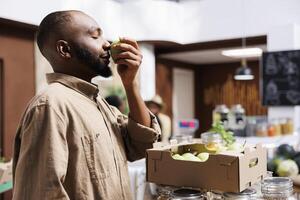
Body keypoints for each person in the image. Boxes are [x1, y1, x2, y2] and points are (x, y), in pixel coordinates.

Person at [12, 10, 160, 200]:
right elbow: (40, 195)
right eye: (95, 36)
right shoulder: (51, 105)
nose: (107, 44)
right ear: (64, 50)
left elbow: (139, 144)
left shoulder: (97, 102)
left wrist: (131, 84)